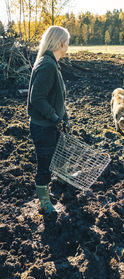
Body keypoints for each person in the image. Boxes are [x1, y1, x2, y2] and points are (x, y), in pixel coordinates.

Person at [27, 25, 71, 214]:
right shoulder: (46, 65)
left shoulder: (52, 63)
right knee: (44, 164)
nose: (68, 46)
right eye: (67, 42)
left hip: (51, 124)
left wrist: (65, 119)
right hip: (43, 127)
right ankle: (44, 202)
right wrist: (55, 119)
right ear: (61, 43)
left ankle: (57, 184)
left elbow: (57, 97)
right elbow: (36, 98)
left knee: (56, 157)